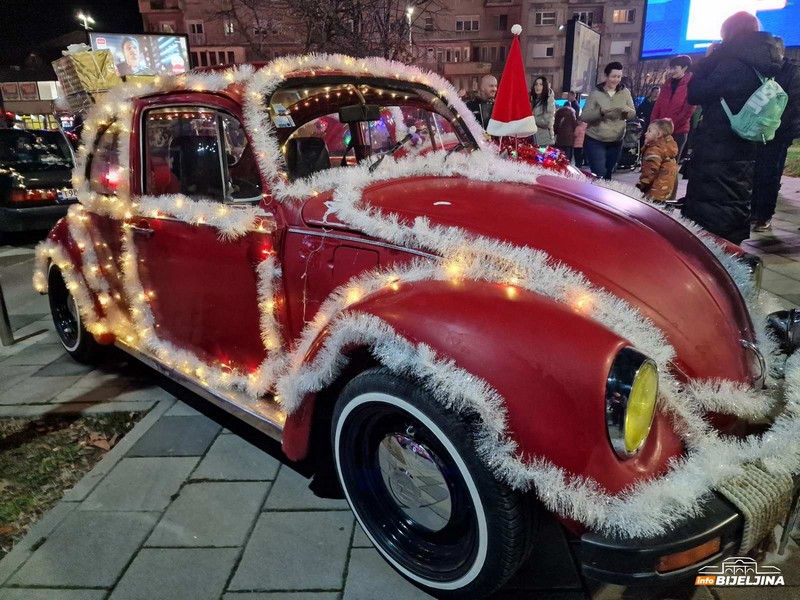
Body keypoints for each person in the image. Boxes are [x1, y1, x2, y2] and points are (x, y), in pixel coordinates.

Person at [680, 11, 782, 245]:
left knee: (712, 210)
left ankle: (715, 258)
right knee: (734, 198)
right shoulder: (761, 65)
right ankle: (729, 251)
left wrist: (706, 61)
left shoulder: (731, 64)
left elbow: (696, 93)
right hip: (744, 145)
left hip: (718, 148)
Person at [751, 37, 800, 232]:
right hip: (758, 130)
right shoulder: (763, 70)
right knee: (755, 172)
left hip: (780, 131)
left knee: (770, 173)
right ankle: (753, 210)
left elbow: (794, 104)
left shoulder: (793, 73)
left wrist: (774, 123)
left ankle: (764, 215)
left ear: (779, 51)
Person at [579, 61, 636, 179]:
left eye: (619, 77)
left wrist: (627, 112)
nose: (616, 80)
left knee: (608, 173)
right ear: (606, 76)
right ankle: (595, 195)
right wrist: (600, 112)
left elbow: (632, 113)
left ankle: (603, 195)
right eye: (613, 76)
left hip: (616, 140)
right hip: (595, 139)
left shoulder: (625, 93)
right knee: (600, 173)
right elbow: (584, 116)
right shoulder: (595, 94)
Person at [651, 55, 695, 159]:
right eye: (671, 68)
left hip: (678, 131)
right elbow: (658, 105)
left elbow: (688, 111)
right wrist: (653, 125)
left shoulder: (691, 85)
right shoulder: (667, 84)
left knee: (670, 165)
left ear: (684, 68)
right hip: (660, 131)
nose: (672, 71)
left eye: (675, 68)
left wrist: (669, 126)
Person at [636, 118, 679, 201]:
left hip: (656, 188)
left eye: (649, 131)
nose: (645, 133)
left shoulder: (654, 150)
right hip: (667, 186)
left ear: (658, 134)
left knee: (650, 209)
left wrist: (642, 184)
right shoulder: (668, 146)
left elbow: (651, 169)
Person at [530, 76, 555, 146]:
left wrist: (531, 118)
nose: (537, 86)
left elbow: (548, 122)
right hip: (534, 140)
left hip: (545, 141)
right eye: (536, 84)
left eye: (541, 84)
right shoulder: (533, 101)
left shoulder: (549, 101)